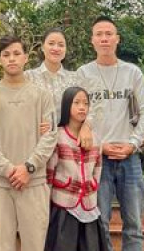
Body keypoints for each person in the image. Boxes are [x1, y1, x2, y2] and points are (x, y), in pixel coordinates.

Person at [77, 16, 144, 251]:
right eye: (99, 34)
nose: (104, 39)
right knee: (100, 223)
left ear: (117, 39)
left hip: (129, 158)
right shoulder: (83, 74)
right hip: (97, 159)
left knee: (134, 225)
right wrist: (99, 145)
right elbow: (76, 115)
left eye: (109, 34)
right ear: (92, 40)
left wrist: (133, 144)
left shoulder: (132, 73)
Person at [0, 35, 57, 251]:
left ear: (26, 57)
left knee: (35, 244)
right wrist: (8, 170)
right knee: (1, 245)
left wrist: (28, 167)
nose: (12, 59)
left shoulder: (42, 95)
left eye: (16, 53)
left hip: (33, 181)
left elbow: (50, 135)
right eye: (6, 55)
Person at [45, 86, 107, 251]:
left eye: (85, 104)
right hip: (63, 205)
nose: (82, 107)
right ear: (67, 105)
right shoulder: (58, 137)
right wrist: (47, 202)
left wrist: (92, 184)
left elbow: (98, 168)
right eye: (77, 103)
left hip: (88, 204)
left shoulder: (96, 139)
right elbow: (49, 172)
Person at [26, 28, 95, 147]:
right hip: (36, 144)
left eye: (61, 45)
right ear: (42, 47)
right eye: (51, 43)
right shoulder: (28, 77)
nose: (56, 48)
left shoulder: (75, 79)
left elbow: (93, 106)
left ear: (65, 49)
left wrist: (86, 126)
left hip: (69, 146)